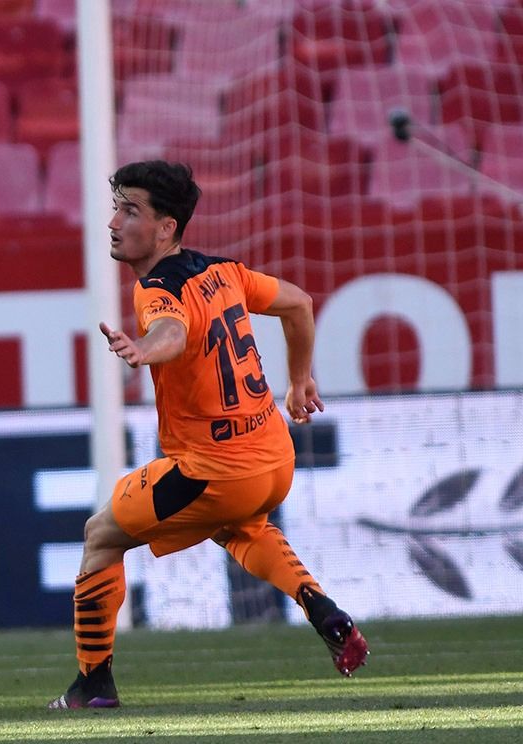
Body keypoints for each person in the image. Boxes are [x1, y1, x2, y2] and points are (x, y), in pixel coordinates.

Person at [48, 161, 368, 710]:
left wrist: (143, 349)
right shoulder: (226, 271)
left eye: (130, 210)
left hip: (214, 469)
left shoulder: (155, 291)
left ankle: (93, 686)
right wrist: (298, 380)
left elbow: (170, 331)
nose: (114, 221)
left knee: (101, 535)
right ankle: (323, 609)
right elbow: (298, 302)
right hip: (273, 458)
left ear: (166, 228)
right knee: (238, 526)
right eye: (117, 206)